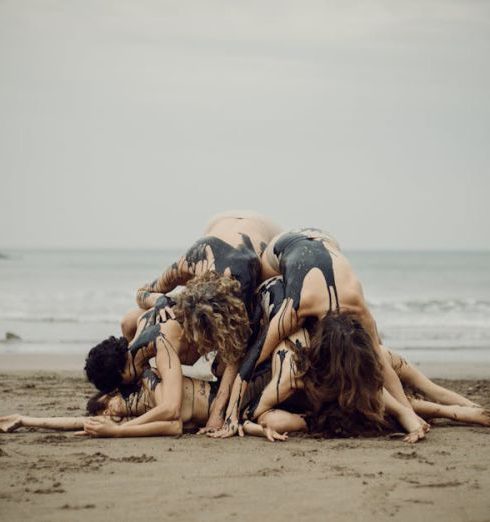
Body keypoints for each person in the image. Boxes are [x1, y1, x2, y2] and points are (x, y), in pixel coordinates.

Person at [211, 230, 427, 441]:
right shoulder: (295, 311)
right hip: (283, 247)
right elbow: (252, 360)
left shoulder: (358, 307)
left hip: (328, 242)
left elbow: (378, 357)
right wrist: (229, 415)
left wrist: (408, 413)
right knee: (257, 306)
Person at [85, 272, 250, 432]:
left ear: (125, 373)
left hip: (239, 323)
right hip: (215, 311)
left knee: (220, 369)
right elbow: (142, 295)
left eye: (120, 384)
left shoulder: (162, 343)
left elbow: (171, 409)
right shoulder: (139, 321)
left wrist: (120, 428)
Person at [0, 367, 286, 442]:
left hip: (241, 392)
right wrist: (26, 419)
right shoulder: (140, 418)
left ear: (113, 393)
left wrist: (118, 432)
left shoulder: (150, 380)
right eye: (104, 414)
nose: (109, 413)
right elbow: (79, 423)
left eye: (106, 405)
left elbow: (173, 425)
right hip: (243, 413)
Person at [121, 210, 282, 340]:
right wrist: (159, 300)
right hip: (220, 220)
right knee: (128, 322)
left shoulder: (259, 268)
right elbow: (142, 292)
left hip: (266, 228)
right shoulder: (193, 260)